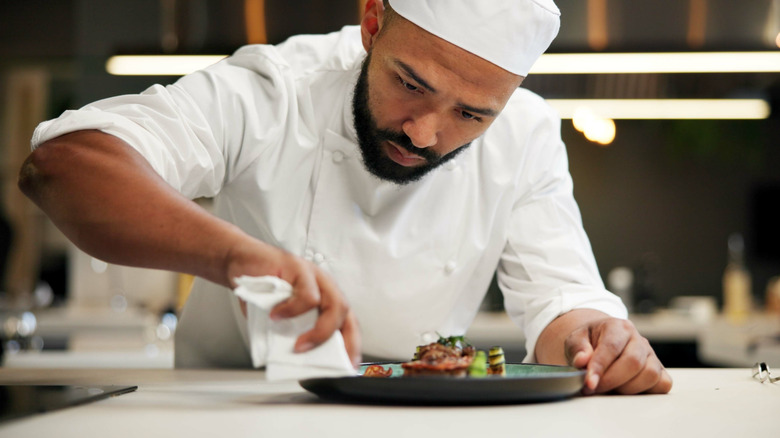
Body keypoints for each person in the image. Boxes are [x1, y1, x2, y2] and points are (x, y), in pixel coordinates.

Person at [18, 0, 671, 394]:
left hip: (426, 419)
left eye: (472, 115)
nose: (425, 132)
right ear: (371, 22)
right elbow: (63, 165)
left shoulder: (526, 134)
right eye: (411, 83)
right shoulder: (276, 90)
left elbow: (562, 305)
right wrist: (242, 258)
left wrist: (598, 343)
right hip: (227, 412)